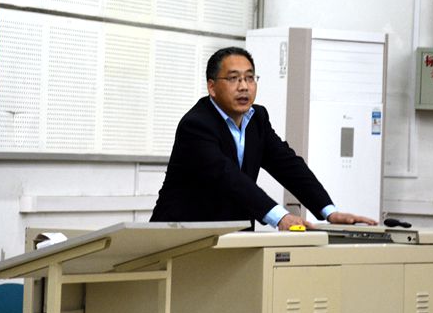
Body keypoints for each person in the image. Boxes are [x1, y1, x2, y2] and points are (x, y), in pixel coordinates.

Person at [150, 46, 376, 230]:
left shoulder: (257, 118)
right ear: (212, 87)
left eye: (250, 78)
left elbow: (288, 165)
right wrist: (280, 217)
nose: (244, 87)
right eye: (233, 79)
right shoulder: (196, 125)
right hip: (182, 236)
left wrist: (329, 211)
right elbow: (228, 177)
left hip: (234, 236)